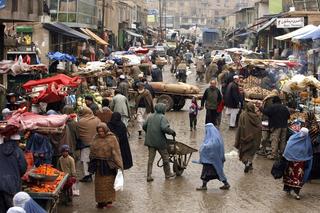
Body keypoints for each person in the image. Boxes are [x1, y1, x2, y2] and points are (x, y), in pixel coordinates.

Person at [88, 123, 123, 209]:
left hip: (109, 165)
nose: (100, 133)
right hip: (99, 165)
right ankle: (100, 202)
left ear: (106, 130)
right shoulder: (95, 138)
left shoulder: (112, 138)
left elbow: (116, 152)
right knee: (99, 185)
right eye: (99, 131)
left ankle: (109, 201)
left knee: (109, 184)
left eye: (102, 131)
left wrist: (119, 165)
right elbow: (92, 150)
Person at [143, 103, 176, 182]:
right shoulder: (162, 117)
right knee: (165, 157)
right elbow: (164, 128)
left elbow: (144, 126)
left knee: (150, 159)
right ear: (162, 109)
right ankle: (168, 174)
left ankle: (149, 175)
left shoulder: (150, 116)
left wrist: (149, 132)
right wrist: (172, 132)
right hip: (160, 142)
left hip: (150, 141)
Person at [196, 123, 230, 191]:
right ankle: (226, 184)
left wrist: (203, 147)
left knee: (205, 173)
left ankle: (204, 186)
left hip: (210, 160)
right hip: (215, 160)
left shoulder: (213, 139)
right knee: (218, 172)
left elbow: (209, 146)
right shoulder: (217, 137)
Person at [282, 128, 313, 200]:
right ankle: (288, 189)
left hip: (300, 164)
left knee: (298, 177)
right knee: (290, 176)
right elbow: (287, 148)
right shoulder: (293, 138)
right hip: (291, 162)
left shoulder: (306, 141)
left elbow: (309, 153)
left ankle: (296, 192)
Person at [0, 139, 27, 213]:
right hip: (12, 185)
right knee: (13, 209)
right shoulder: (18, 151)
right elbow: (23, 168)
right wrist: (17, 175)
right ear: (17, 141)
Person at [235, 103, 262, 173]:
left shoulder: (242, 115)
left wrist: (237, 138)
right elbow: (259, 127)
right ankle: (249, 163)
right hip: (254, 138)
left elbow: (240, 127)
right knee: (251, 153)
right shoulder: (256, 117)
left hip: (244, 137)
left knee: (243, 152)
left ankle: (247, 163)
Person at [77, 107, 101, 182]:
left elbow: (78, 133)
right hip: (96, 143)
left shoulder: (81, 121)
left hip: (85, 144)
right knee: (94, 158)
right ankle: (95, 173)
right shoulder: (97, 119)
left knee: (85, 160)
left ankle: (87, 175)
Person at [258, 90, 279, 156]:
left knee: (265, 135)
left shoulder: (267, 98)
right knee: (266, 135)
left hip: (265, 119)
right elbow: (270, 111)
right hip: (267, 119)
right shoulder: (271, 100)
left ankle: (263, 149)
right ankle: (263, 149)